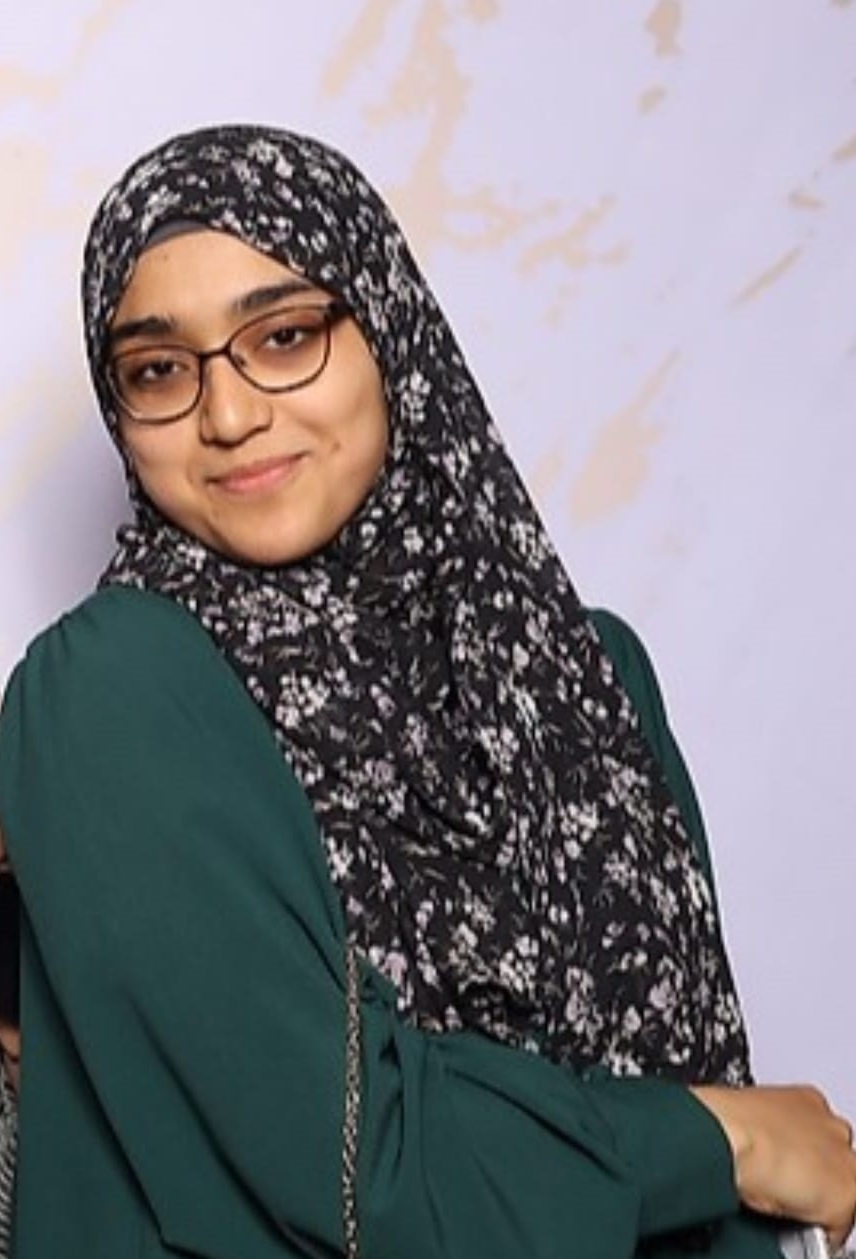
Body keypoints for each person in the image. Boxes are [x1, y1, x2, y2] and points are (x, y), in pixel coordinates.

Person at [0, 123, 853, 1259]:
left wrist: (730, 1155)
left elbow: (701, 1098)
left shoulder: (579, 669)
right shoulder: (110, 692)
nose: (228, 413)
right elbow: (346, 1165)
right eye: (159, 369)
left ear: (390, 329)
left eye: (284, 334)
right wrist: (721, 1142)